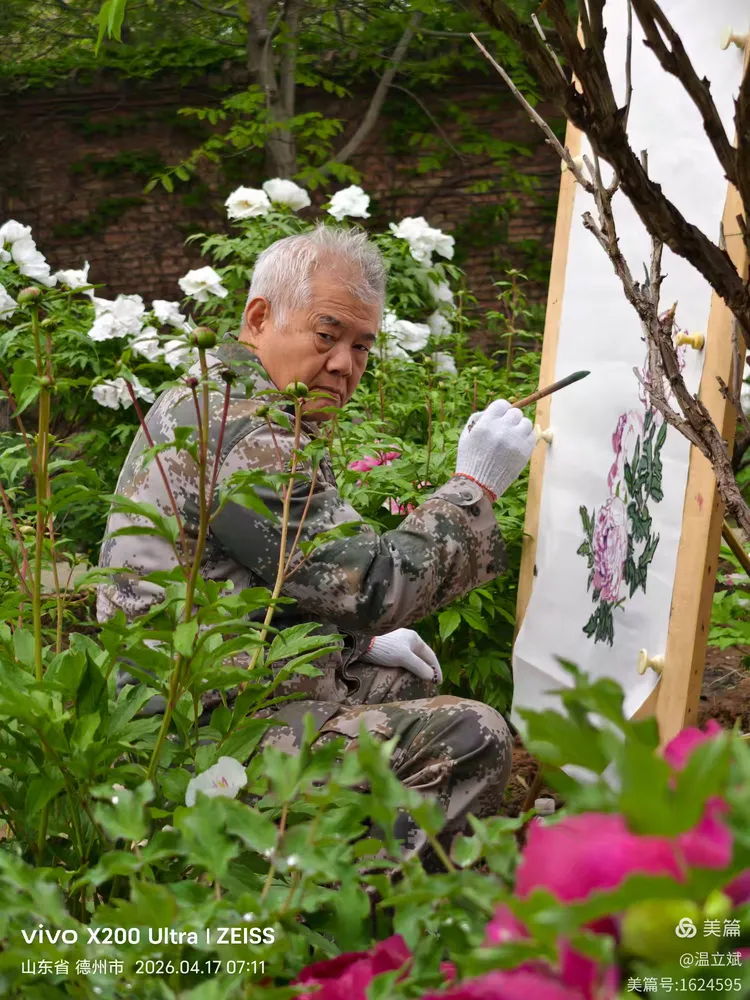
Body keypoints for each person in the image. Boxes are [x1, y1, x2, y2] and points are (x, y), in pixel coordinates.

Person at [97, 223, 537, 860]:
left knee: (402, 686)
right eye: (327, 335)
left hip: (214, 692)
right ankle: (325, 913)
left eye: (362, 346)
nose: (344, 365)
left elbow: (275, 575)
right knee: (472, 735)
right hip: (198, 731)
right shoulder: (240, 430)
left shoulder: (225, 399)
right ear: (258, 318)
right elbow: (374, 585)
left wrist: (357, 643)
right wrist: (473, 487)